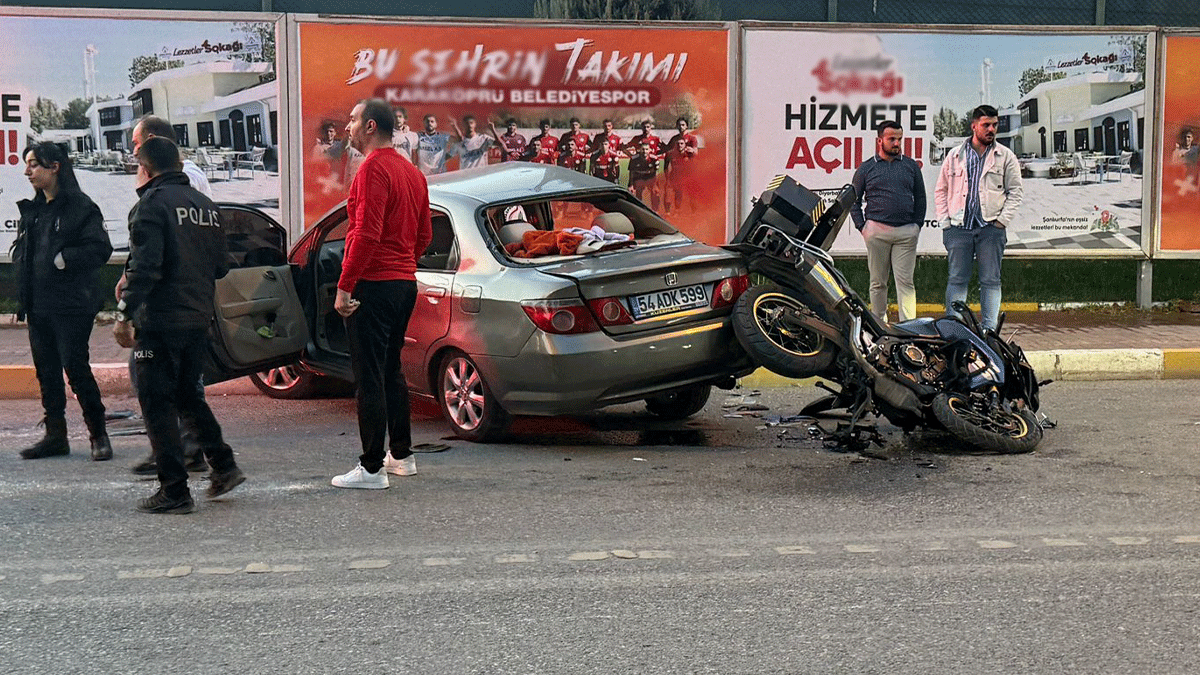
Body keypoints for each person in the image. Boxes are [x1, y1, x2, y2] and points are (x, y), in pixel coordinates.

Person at [114, 136, 245, 513]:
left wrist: (123, 314)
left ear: (146, 169)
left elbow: (146, 268)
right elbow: (221, 267)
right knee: (188, 396)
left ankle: (174, 490)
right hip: (198, 318)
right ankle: (223, 465)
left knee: (157, 404)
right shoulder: (206, 206)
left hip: (160, 321)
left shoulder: (150, 205)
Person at [331, 98, 432, 490]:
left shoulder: (372, 168)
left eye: (353, 120)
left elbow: (366, 233)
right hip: (404, 283)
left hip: (373, 284)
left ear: (370, 126)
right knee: (391, 370)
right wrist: (404, 263)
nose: (348, 127)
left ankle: (371, 468)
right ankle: (401, 456)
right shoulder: (413, 173)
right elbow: (424, 234)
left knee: (370, 375)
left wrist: (345, 285)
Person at [120, 115, 213, 477]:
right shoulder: (187, 182)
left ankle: (176, 451)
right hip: (190, 297)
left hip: (170, 301)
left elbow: (162, 245)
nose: (134, 153)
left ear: (153, 142)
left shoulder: (172, 186)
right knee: (183, 381)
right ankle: (189, 450)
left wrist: (129, 300)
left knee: (158, 379)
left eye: (137, 144)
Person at [12, 142, 113, 461]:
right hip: (38, 306)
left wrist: (64, 259)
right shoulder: (34, 210)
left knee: (76, 368)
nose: (27, 172)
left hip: (71, 306)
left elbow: (100, 249)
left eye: (34, 164)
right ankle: (56, 436)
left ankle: (98, 434)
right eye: (27, 165)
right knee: (47, 371)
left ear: (55, 167)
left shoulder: (81, 207)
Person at [934, 104, 1024, 332]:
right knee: (957, 279)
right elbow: (941, 190)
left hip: (990, 229)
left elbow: (1016, 192)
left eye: (994, 125)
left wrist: (1001, 222)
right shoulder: (955, 155)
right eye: (986, 125)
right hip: (959, 229)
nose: (991, 129)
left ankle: (989, 331)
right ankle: (954, 329)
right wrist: (946, 223)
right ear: (974, 126)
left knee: (991, 281)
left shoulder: (1005, 156)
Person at [849, 120, 926, 324]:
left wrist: (917, 225)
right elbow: (853, 200)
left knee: (906, 283)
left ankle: (909, 327)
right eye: (892, 139)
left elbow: (920, 198)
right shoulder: (866, 168)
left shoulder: (911, 166)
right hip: (877, 232)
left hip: (906, 234)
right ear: (879, 141)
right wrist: (863, 227)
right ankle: (879, 325)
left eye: (899, 139)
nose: (897, 143)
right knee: (877, 283)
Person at [589, 119, 624, 183]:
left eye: (609, 126)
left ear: (612, 126)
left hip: (611, 163)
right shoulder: (598, 137)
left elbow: (621, 149)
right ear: (603, 126)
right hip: (600, 162)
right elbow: (593, 148)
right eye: (605, 126)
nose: (607, 127)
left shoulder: (617, 138)